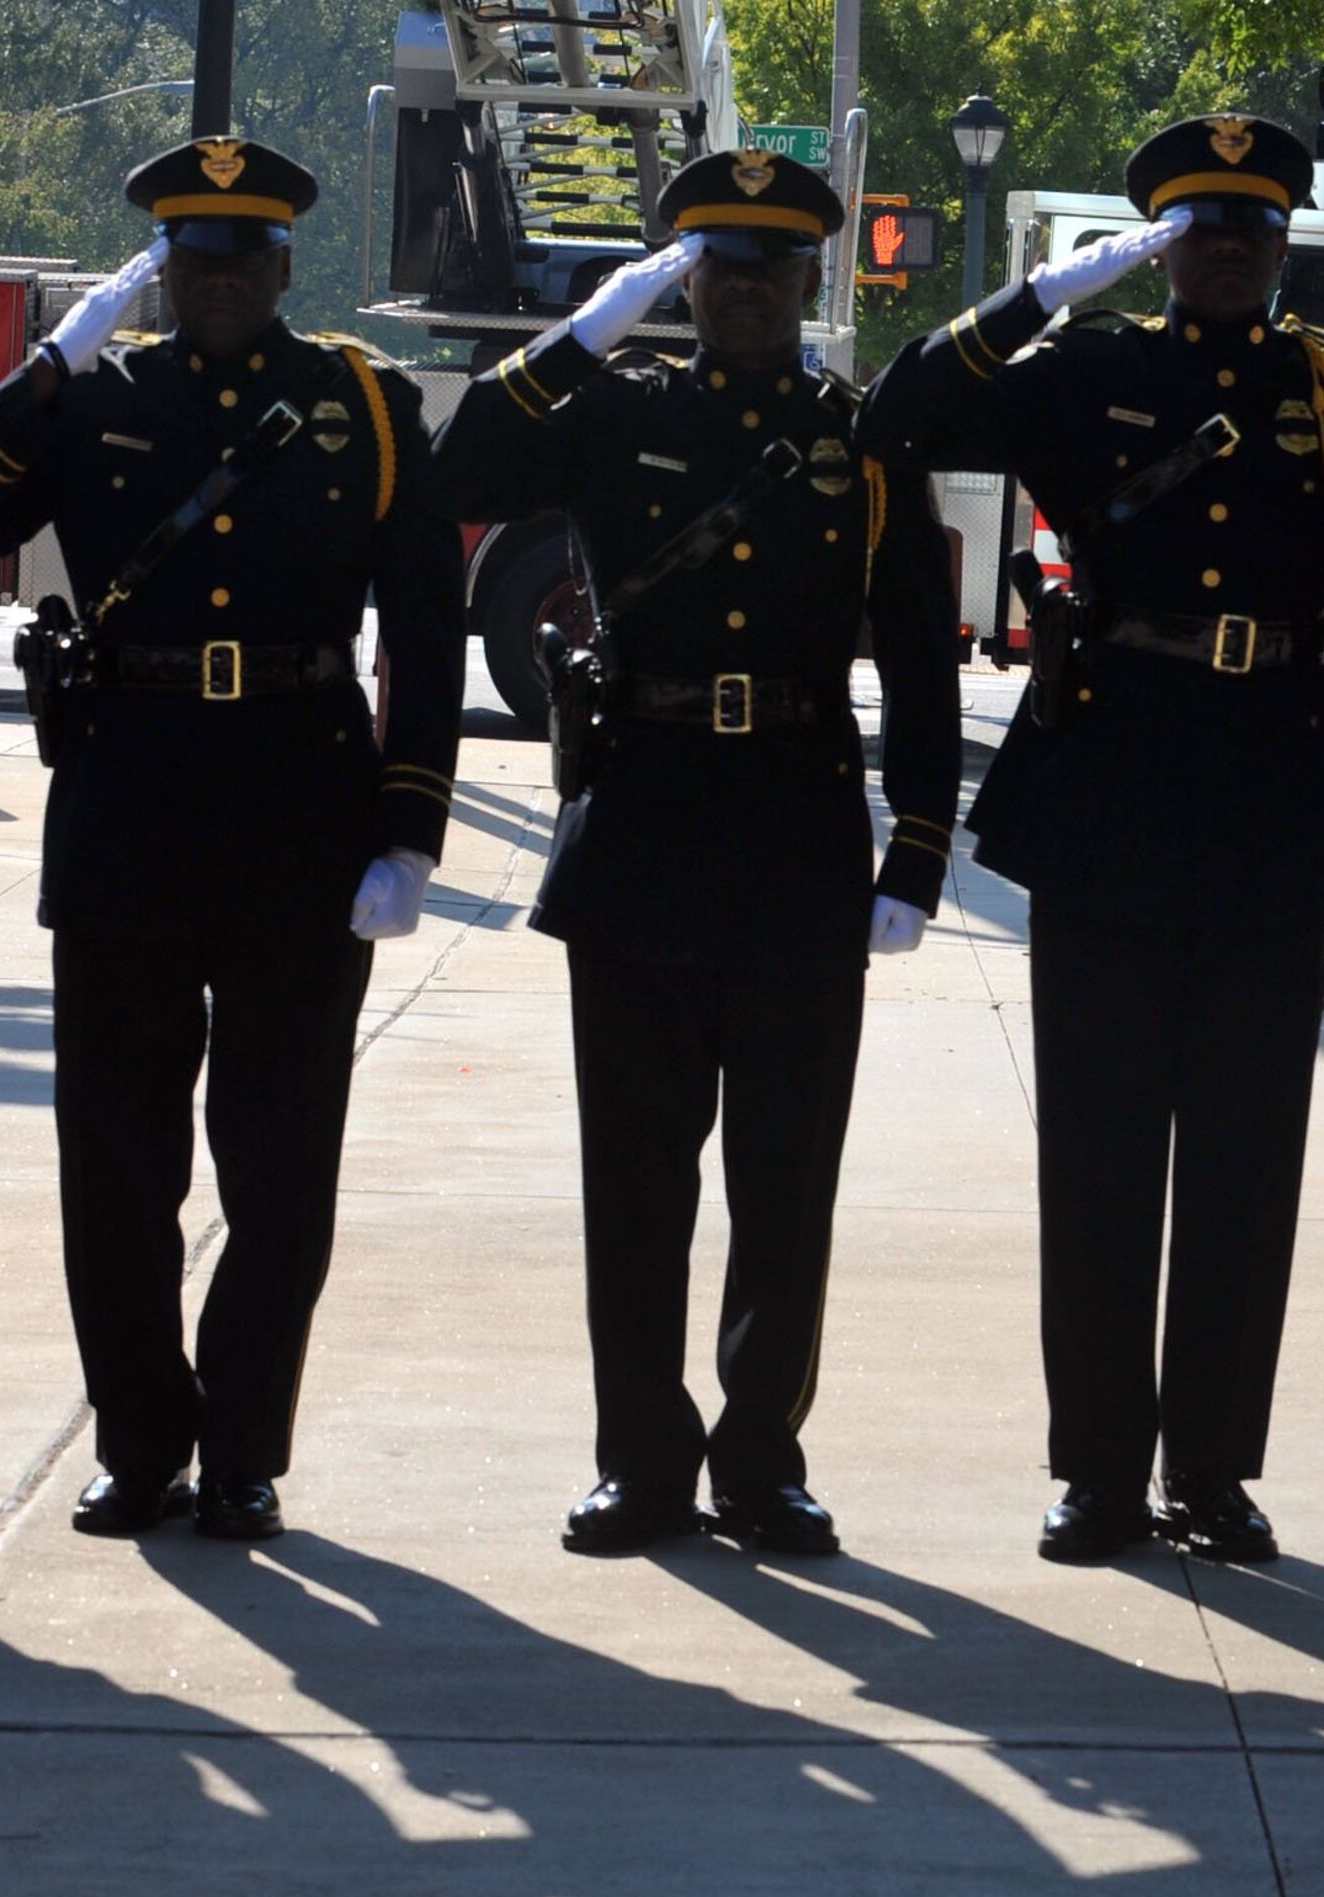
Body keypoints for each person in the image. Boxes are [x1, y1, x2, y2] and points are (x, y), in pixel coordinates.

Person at [856, 115, 1324, 1564]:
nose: (1228, 246)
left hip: (1270, 794)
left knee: (1248, 1160)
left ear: (1285, 242)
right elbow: (899, 417)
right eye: (1200, 226)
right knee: (1103, 1157)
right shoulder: (1090, 370)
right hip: (1111, 786)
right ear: (1162, 246)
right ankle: (1101, 1469)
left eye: (1252, 224)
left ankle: (1216, 1472)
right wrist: (1038, 296)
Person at [0, 137, 462, 1544]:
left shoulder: (362, 405)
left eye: (245, 255)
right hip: (130, 805)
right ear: (161, 271)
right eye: (192, 258)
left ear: (284, 264)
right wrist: (42, 370)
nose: (219, 280)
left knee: (278, 1166)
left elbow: (430, 636)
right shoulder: (96, 400)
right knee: (118, 1160)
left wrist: (409, 825)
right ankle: (142, 1436)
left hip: (303, 809)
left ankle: (245, 1450)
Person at [425, 149, 963, 1557]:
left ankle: (762, 1455)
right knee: (639, 1178)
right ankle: (641, 1459)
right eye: (716, 267)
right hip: (645, 824)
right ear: (687, 281)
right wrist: (583, 331)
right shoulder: (611, 412)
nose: (743, 291)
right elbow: (463, 465)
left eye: (769, 268)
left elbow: (918, 656)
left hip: (794, 825)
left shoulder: (859, 444)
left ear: (806, 281)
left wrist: (915, 845)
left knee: (788, 1182)